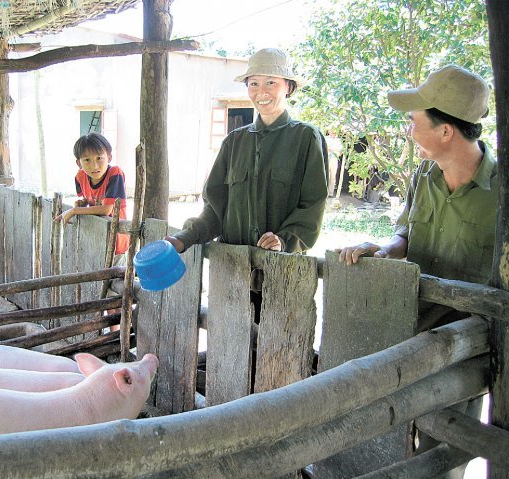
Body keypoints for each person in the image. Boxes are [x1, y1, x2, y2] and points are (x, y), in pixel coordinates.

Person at [337, 64, 495, 479]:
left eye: (414, 121)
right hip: (413, 332)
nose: (409, 131)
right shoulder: (425, 175)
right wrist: (387, 248)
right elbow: (406, 231)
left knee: (443, 447)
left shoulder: (503, 193)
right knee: (399, 435)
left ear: (447, 132)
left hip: (469, 347)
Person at [165, 48, 328, 259]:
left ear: (288, 87)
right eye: (254, 83)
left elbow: (312, 206)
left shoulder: (307, 138)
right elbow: (215, 209)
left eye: (271, 82)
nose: (261, 91)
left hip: (282, 271)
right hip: (232, 269)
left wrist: (284, 239)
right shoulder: (233, 142)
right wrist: (183, 238)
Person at [54, 132, 129, 260]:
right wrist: (82, 204)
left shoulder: (114, 174)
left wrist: (75, 211)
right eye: (87, 160)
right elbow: (87, 199)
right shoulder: (80, 177)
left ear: (109, 157)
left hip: (116, 243)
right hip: (95, 237)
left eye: (99, 158)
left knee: (115, 278)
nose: (94, 166)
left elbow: (107, 209)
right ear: (79, 163)